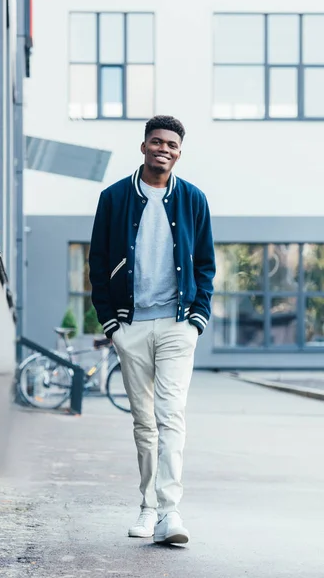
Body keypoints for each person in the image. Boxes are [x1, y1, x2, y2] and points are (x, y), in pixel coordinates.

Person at [89, 115, 215, 545]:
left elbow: (206, 266)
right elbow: (98, 264)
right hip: (132, 325)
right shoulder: (114, 198)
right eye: (157, 142)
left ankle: (169, 512)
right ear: (143, 146)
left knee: (170, 416)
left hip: (178, 325)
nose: (164, 149)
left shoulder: (194, 200)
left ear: (179, 153)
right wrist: (112, 325)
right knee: (144, 422)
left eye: (172, 145)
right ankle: (147, 507)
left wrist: (197, 319)